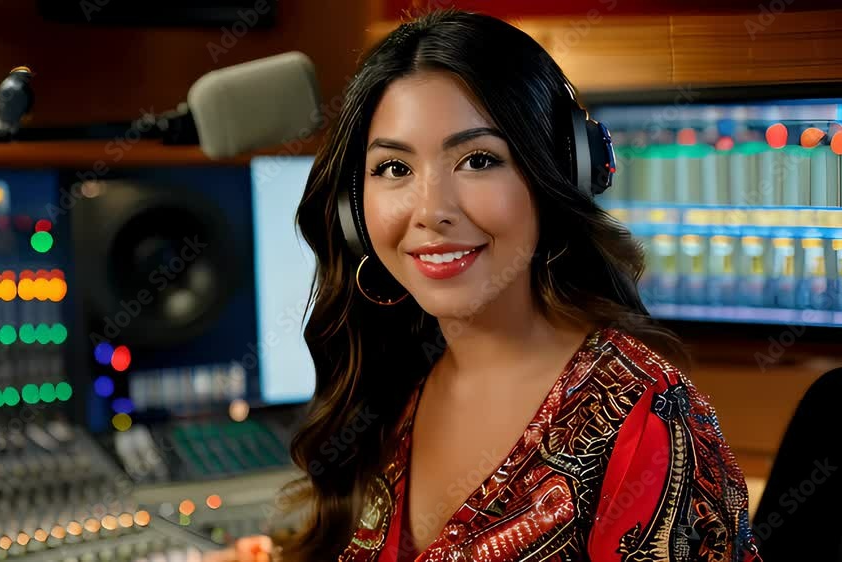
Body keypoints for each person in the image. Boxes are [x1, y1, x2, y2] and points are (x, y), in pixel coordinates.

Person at [216, 8, 762, 562]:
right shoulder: (392, 375)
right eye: (394, 169)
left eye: (478, 160)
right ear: (354, 210)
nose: (432, 211)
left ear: (557, 177)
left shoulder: (649, 426)